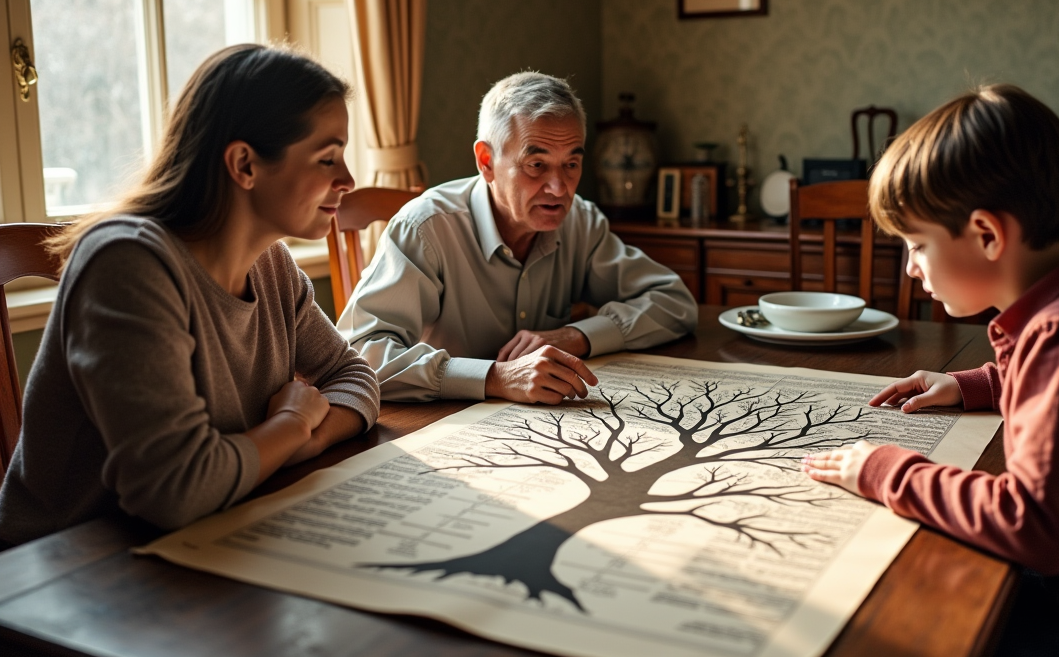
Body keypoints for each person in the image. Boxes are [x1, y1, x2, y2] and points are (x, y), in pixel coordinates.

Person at [801, 85, 1059, 657]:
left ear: (987, 235)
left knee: (898, 644)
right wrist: (973, 385)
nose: (911, 267)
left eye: (916, 245)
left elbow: (1035, 526)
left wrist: (886, 470)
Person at [0, 44, 380, 547]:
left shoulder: (270, 264)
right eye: (327, 157)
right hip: (68, 569)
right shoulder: (127, 265)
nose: (348, 180)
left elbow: (353, 375)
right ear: (244, 164)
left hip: (208, 531)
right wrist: (290, 423)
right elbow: (175, 491)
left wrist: (302, 441)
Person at [338, 71, 697, 403]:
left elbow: (675, 303)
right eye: (536, 165)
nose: (558, 188)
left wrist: (576, 336)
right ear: (486, 162)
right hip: (435, 423)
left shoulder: (580, 222)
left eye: (571, 164)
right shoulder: (426, 228)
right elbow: (360, 357)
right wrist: (495, 377)